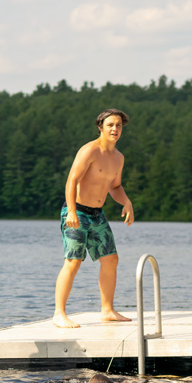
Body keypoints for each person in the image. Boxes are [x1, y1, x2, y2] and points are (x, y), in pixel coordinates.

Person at [53, 109, 134, 328]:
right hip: (76, 211)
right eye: (110, 125)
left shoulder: (118, 158)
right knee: (73, 261)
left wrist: (126, 201)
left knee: (111, 259)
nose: (115, 129)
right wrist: (70, 210)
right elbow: (72, 180)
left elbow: (115, 187)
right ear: (100, 127)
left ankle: (107, 310)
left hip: (97, 214)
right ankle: (59, 313)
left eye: (118, 125)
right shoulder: (89, 150)